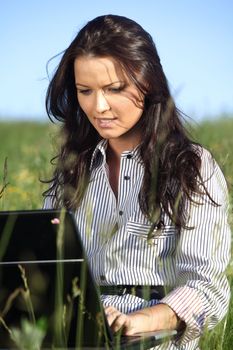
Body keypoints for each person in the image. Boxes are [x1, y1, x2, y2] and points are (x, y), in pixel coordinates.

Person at [43, 14, 231, 349]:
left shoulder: (192, 167)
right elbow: (47, 275)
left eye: (114, 89)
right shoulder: (70, 171)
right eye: (85, 91)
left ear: (148, 83)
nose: (98, 106)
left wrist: (139, 321)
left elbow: (207, 287)